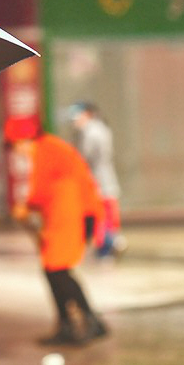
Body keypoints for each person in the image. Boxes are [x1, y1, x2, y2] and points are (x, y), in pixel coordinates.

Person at [16, 121, 108, 345]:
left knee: (57, 270)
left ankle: (86, 321)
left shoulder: (44, 150)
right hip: (72, 213)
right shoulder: (52, 147)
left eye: (16, 145)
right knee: (55, 270)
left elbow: (39, 189)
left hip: (71, 214)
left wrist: (25, 206)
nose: (18, 151)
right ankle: (74, 322)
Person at [70, 102, 126, 258]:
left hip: (98, 184)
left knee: (102, 218)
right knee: (107, 218)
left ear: (87, 114)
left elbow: (84, 157)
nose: (75, 121)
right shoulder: (100, 129)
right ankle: (111, 244)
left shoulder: (91, 131)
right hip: (103, 183)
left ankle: (109, 246)